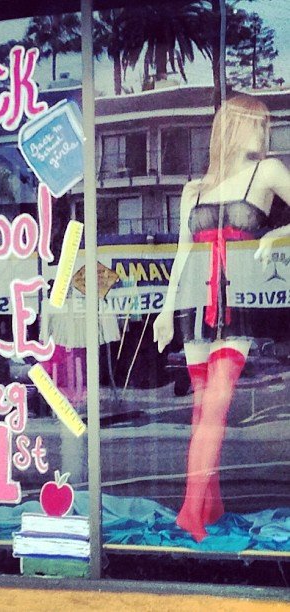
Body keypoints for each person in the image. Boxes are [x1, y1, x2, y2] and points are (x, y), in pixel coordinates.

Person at [153, 95, 290, 542]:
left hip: (237, 308)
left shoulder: (267, 172)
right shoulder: (194, 189)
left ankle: (188, 513)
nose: (263, 132)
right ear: (232, 127)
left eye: (265, 125)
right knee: (200, 411)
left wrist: (275, 235)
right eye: (257, 124)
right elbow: (182, 252)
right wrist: (166, 310)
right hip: (195, 307)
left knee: (215, 410)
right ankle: (210, 507)